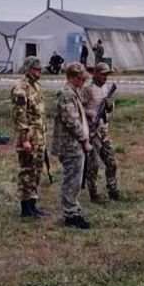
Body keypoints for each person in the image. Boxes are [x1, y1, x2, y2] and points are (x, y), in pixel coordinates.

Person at [50, 63, 93, 229]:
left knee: (75, 179)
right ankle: (70, 214)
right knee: (72, 180)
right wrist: (84, 141)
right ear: (74, 77)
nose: (83, 81)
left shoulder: (73, 93)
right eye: (81, 78)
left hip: (74, 144)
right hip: (71, 145)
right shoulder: (66, 95)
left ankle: (73, 210)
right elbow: (71, 121)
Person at [11, 57, 47, 219]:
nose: (39, 72)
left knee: (36, 171)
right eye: (35, 69)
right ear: (28, 69)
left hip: (39, 137)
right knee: (27, 172)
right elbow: (20, 116)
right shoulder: (21, 89)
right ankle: (25, 208)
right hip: (28, 138)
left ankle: (33, 204)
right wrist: (24, 139)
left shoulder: (37, 87)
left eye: (40, 69)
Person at [81, 63, 120, 203]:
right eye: (103, 74)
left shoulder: (105, 88)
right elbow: (78, 108)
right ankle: (93, 192)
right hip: (92, 132)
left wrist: (110, 105)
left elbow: (108, 109)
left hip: (104, 131)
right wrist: (89, 114)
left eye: (107, 74)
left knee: (112, 162)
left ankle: (113, 188)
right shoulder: (88, 89)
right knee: (93, 164)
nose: (105, 77)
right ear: (95, 73)